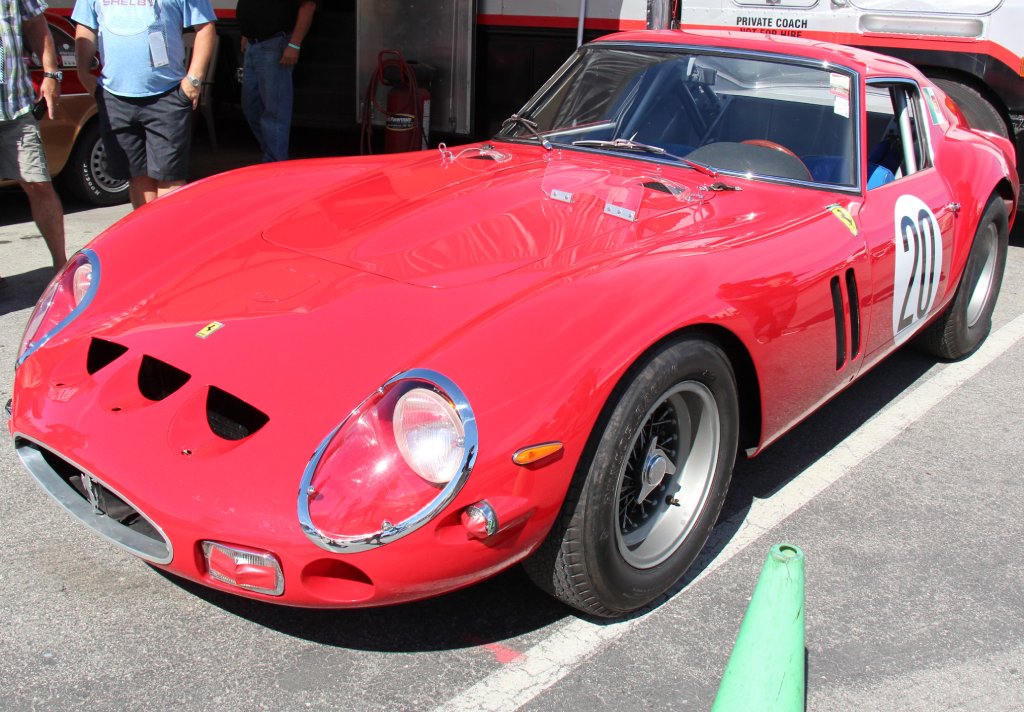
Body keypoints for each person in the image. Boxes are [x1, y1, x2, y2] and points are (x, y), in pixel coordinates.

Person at [72, 0, 217, 209]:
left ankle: (170, 231)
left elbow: (205, 27)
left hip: (167, 94)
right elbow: (86, 27)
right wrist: (83, 74)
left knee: (170, 177)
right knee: (136, 176)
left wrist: (194, 80)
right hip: (115, 97)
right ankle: (147, 230)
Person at [1, 0, 67, 285]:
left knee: (38, 183)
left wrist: (51, 74)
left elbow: (37, 25)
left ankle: (61, 269)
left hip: (14, 105)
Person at [237, 0, 316, 162]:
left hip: (274, 43)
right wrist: (247, 33)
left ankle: (275, 163)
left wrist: (295, 45)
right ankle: (272, 156)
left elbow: (308, 5)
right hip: (253, 44)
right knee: (250, 106)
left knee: (275, 112)